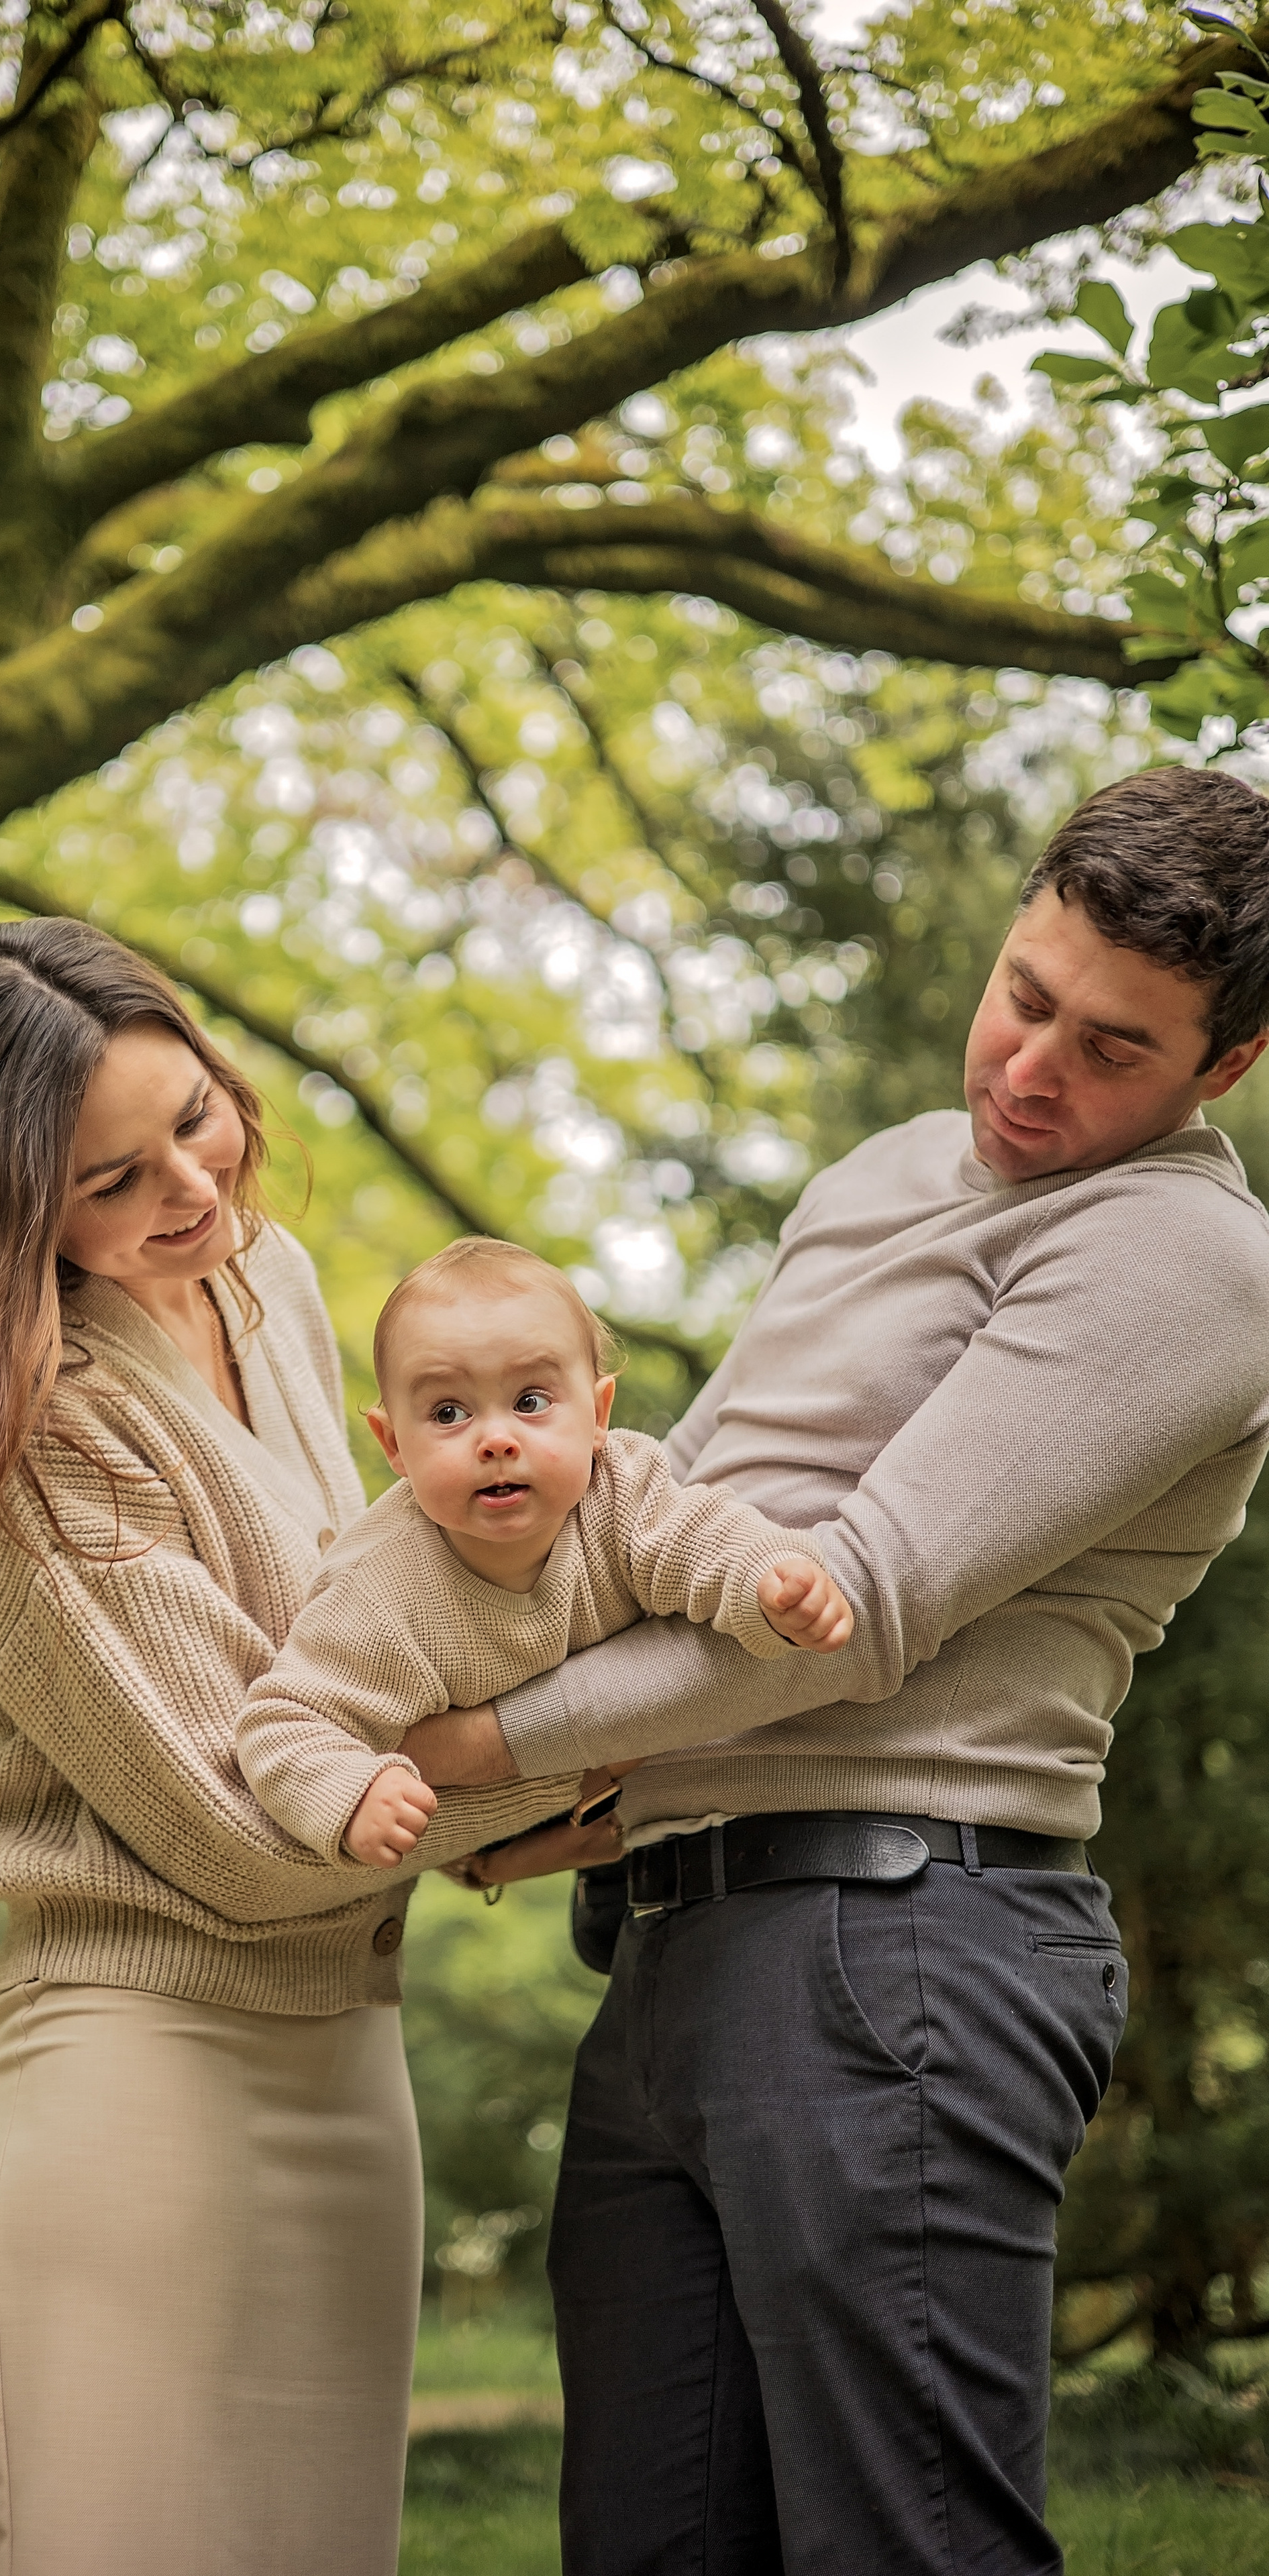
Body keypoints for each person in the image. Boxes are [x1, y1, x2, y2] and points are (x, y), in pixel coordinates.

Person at [399, 766, 1269, 2575]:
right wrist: (551, 1777)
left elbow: (854, 1605)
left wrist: (487, 1747)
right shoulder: (883, 1178)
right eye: (1026, 997)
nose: (1034, 1070)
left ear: (1225, 1070)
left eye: (1115, 1050)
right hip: (679, 1951)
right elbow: (665, 1521)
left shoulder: (1188, 1257)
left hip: (899, 1955)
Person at [0, 919, 605, 2576]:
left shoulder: (272, 1282)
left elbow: (364, 1645)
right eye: (109, 1179)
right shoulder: (12, 1413)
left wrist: (500, 1758)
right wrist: (571, 1758)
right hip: (144, 2059)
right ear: (5, 1211)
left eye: (194, 1113)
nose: (188, 1181)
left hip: (344, 2043)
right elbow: (242, 1823)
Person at [237, 1237, 851, 1870]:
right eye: (449, 1412)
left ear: (597, 1414)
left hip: (656, 1811)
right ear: (394, 1444)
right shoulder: (378, 1591)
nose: (497, 1439)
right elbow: (284, 1719)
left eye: (531, 1402)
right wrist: (349, 1792)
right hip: (480, 1828)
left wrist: (772, 1581)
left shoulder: (620, 1492)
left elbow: (704, 1540)